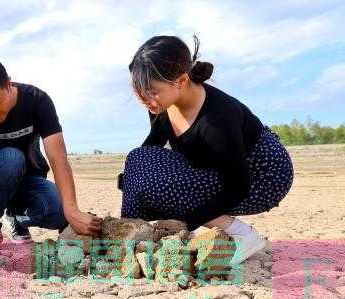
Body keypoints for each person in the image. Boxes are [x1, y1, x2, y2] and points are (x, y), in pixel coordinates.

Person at [123, 35, 293, 265]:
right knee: (136, 163)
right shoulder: (161, 104)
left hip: (260, 176)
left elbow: (237, 186)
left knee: (162, 188)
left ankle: (243, 234)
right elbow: (150, 148)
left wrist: (184, 225)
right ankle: (132, 239)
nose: (145, 99)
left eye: (151, 91)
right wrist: (130, 184)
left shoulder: (218, 119)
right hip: (214, 167)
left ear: (181, 81)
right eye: (139, 92)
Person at [0, 56, 101, 250]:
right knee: (11, 158)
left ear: (8, 83)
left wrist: (72, 211)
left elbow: (58, 157)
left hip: (29, 181)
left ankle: (15, 218)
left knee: (59, 212)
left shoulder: (37, 100)